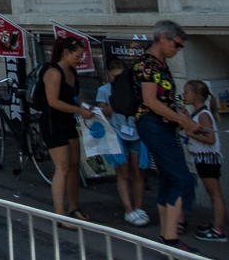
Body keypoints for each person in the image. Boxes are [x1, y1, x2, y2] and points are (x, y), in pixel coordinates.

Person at [134, 20, 202, 252]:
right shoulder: (148, 64)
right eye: (176, 44)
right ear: (163, 38)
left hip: (162, 126)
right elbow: (150, 101)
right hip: (152, 125)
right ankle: (171, 239)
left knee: (168, 178)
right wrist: (183, 120)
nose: (178, 49)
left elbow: (162, 99)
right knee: (182, 180)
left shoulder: (160, 64)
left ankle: (167, 236)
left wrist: (177, 115)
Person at [40, 36, 95, 226]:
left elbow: (75, 95)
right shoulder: (53, 72)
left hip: (68, 122)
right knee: (62, 167)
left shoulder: (72, 71)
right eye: (78, 57)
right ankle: (60, 215)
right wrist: (79, 110)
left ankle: (74, 207)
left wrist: (88, 107)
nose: (80, 61)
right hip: (52, 123)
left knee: (73, 166)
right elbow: (53, 101)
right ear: (66, 53)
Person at [96, 60, 149, 227]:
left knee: (138, 172)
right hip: (117, 134)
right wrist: (116, 100)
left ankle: (139, 208)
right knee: (123, 172)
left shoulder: (135, 87)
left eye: (119, 76)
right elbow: (101, 113)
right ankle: (128, 210)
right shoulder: (104, 90)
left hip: (136, 133)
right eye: (113, 76)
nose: (116, 79)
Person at [183, 79, 225, 242]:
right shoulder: (198, 113)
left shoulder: (204, 115)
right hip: (203, 159)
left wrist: (190, 133)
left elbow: (210, 139)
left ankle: (219, 230)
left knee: (215, 194)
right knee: (212, 193)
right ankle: (216, 225)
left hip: (208, 159)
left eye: (187, 92)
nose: (184, 95)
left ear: (196, 95)